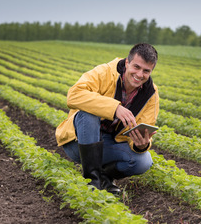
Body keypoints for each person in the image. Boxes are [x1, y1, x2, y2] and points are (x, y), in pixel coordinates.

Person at [55, 43, 159, 195]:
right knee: (88, 113)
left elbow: (145, 126)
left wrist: (141, 145)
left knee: (143, 161)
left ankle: (104, 176)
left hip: (109, 146)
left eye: (146, 71)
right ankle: (93, 181)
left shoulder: (150, 94)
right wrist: (114, 108)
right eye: (136, 67)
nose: (139, 74)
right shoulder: (105, 72)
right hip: (78, 144)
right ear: (127, 63)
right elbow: (74, 95)